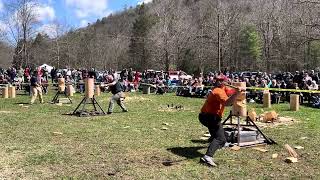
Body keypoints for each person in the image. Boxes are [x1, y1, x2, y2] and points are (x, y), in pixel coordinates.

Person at [199, 75, 245, 167]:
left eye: (222, 80)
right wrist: (236, 93)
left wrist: (237, 90)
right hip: (210, 117)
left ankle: (217, 144)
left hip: (208, 116)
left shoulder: (223, 88)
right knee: (220, 138)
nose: (219, 82)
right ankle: (207, 157)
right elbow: (227, 103)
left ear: (225, 81)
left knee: (218, 136)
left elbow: (230, 91)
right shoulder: (217, 91)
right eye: (218, 80)